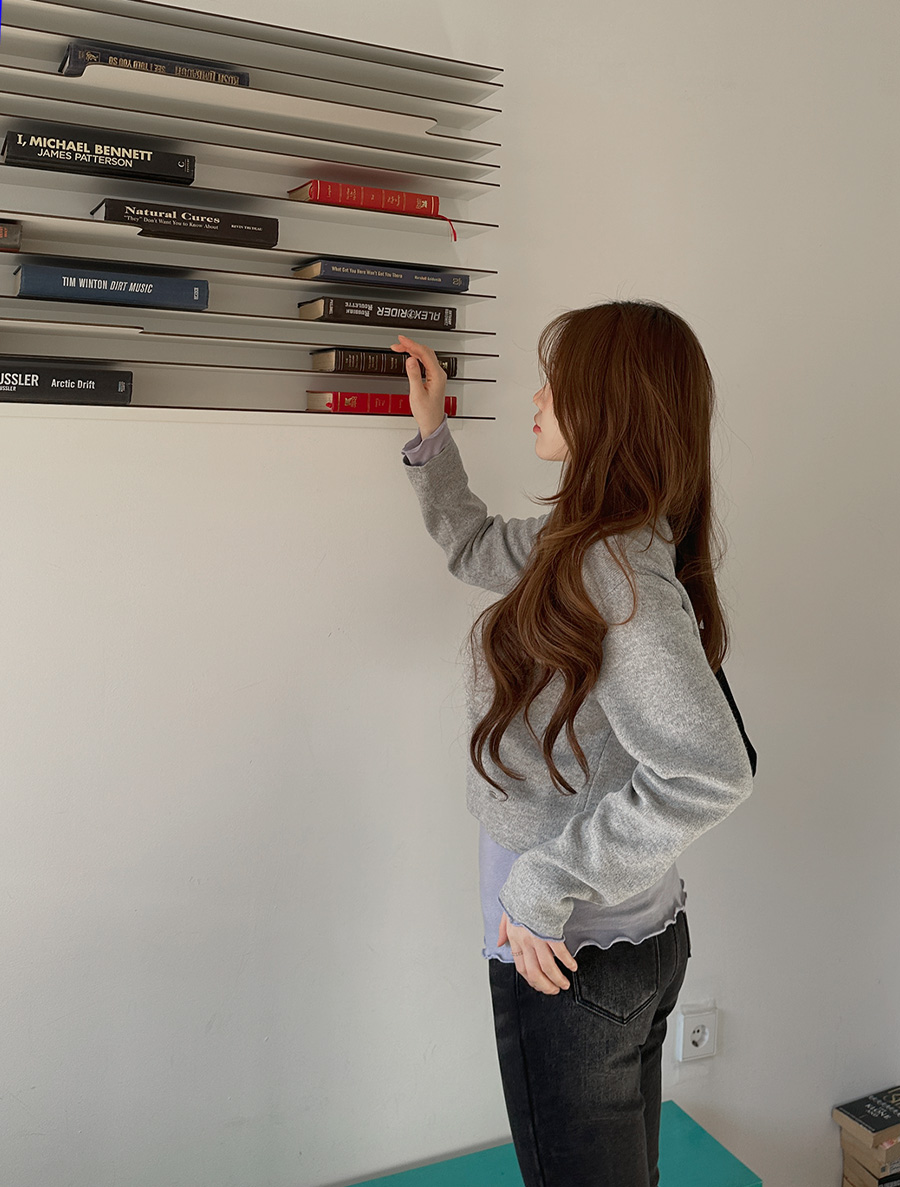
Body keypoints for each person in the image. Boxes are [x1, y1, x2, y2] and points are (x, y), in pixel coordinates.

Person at [391, 300, 756, 1187]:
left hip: (571, 956)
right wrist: (432, 435)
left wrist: (540, 887)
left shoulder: (610, 565)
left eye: (555, 383)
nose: (537, 398)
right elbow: (476, 545)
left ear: (609, 406)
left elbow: (711, 771)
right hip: (615, 943)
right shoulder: (593, 541)